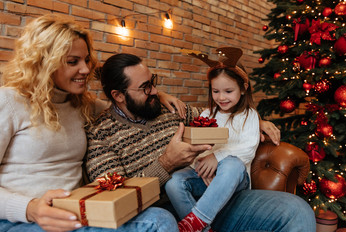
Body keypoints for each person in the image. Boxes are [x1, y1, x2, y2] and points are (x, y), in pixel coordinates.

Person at [85, 52, 316, 232]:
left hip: (218, 192)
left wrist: (256, 122)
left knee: (297, 211)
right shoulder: (101, 136)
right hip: (167, 210)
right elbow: (114, 199)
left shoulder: (168, 109)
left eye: (152, 81)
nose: (155, 90)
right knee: (173, 186)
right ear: (118, 96)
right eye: (146, 88)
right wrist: (166, 164)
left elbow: (219, 115)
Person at [0, 14, 183, 232]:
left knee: (160, 217)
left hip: (77, 210)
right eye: (72, 62)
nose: (86, 70)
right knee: (158, 222)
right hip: (24, 220)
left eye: (86, 59)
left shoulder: (80, 104)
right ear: (44, 62)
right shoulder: (9, 101)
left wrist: (156, 93)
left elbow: (124, 100)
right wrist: (30, 208)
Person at [165, 47, 260, 232]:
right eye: (216, 91)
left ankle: (196, 221)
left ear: (243, 88)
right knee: (173, 181)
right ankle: (203, 229)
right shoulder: (208, 114)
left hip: (235, 177)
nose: (221, 97)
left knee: (232, 163)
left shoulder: (250, 116)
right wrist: (203, 166)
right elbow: (199, 145)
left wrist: (217, 158)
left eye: (228, 91)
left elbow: (248, 149)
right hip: (206, 176)